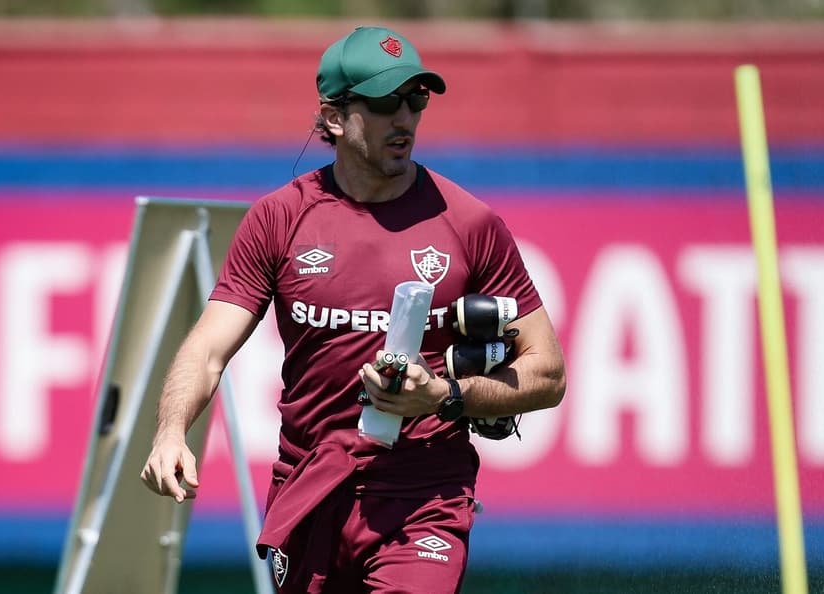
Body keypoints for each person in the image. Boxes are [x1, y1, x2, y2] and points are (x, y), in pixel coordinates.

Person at [140, 25, 566, 594]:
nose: (406, 118)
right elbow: (209, 348)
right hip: (309, 490)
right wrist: (171, 432)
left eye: (417, 100)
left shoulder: (470, 223)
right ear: (335, 117)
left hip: (423, 501)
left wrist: (443, 396)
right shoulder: (278, 218)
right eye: (387, 102)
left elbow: (549, 372)